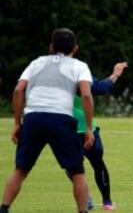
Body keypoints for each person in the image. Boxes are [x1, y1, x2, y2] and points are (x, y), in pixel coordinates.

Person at [0, 28, 94, 213]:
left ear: (51, 47)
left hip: (33, 118)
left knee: (21, 169)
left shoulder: (37, 63)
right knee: (77, 172)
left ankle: (4, 209)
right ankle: (82, 211)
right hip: (61, 119)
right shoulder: (79, 65)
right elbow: (86, 95)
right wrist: (89, 127)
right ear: (75, 48)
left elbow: (18, 90)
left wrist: (18, 123)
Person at [71, 62, 127, 211]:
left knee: (72, 166)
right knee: (98, 164)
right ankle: (107, 202)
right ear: (74, 48)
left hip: (66, 129)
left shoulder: (50, 72)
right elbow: (102, 88)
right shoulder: (79, 70)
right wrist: (116, 74)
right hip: (87, 129)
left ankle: (86, 197)